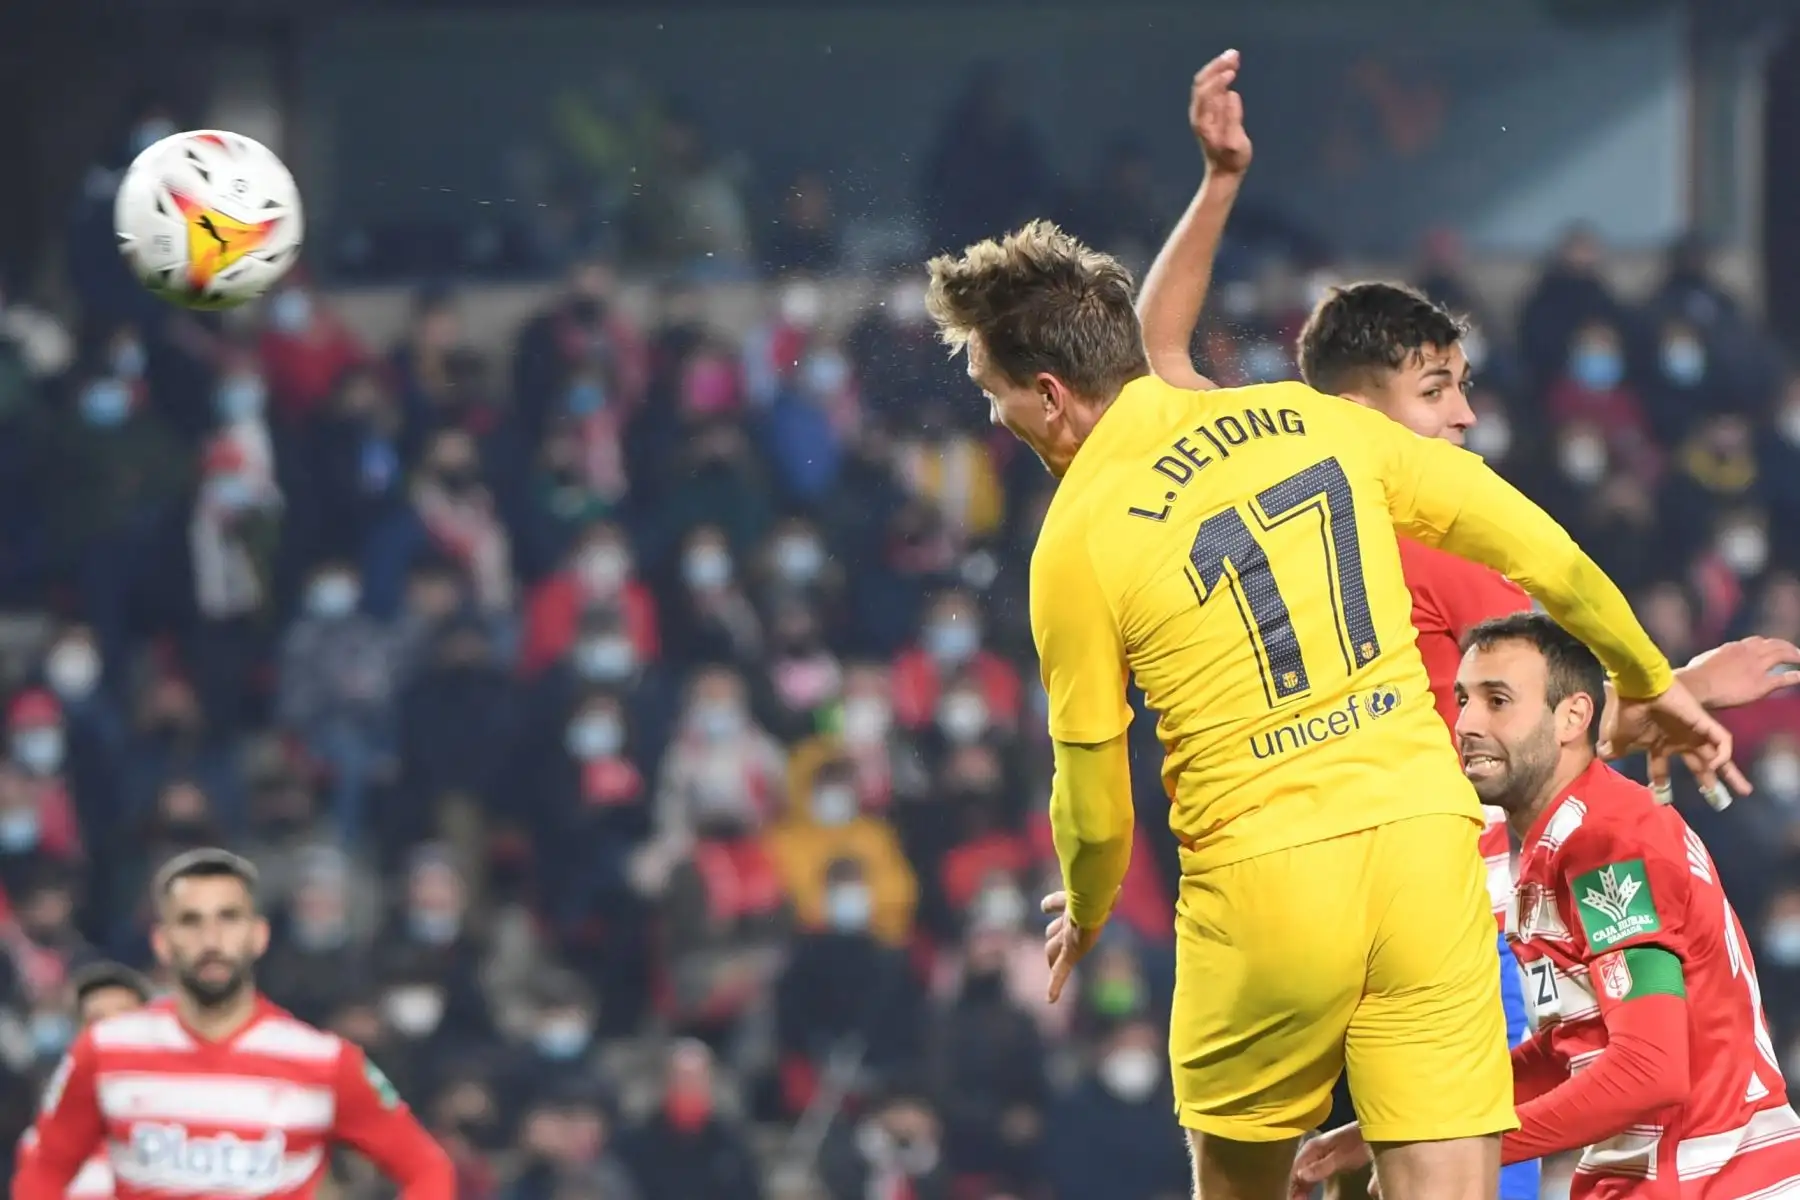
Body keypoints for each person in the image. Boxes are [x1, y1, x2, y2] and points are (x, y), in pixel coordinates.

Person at [923, 219, 1733, 1200]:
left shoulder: (1075, 539)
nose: (994, 414)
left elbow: (1093, 797)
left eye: (990, 392)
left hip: (1263, 887)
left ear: (1050, 396)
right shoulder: (1314, 420)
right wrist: (1650, 679)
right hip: (1422, 862)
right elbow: (1548, 557)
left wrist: (1089, 909)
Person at [1135, 50, 1800, 1200]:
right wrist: (1676, 687)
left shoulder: (1270, 504)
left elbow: (1159, 355)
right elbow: (1529, 740)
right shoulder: (1447, 549)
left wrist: (1217, 182)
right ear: (1361, 409)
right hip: (1448, 920)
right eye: (1439, 387)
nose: (1464, 412)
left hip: (1308, 903)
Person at [1293, 613, 1800, 1199]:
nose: (1467, 723)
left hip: (1717, 1181)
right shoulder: (1558, 846)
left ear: (1573, 717)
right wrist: (1401, 1130)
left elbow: (1649, 1069)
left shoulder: (1608, 844)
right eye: (1463, 699)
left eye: (1498, 700)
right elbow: (1576, 1051)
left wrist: (1460, 1149)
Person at [11, 848, 455, 1199]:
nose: (211, 940)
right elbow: (44, 1169)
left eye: (228, 918)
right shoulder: (105, 1051)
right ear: (163, 943)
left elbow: (428, 1170)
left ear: (258, 935)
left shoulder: (323, 1061)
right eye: (191, 921)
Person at [15, 961, 154, 1200]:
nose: (113, 1034)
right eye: (96, 1022)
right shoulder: (43, 1146)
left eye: (126, 1018)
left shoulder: (187, 1118)